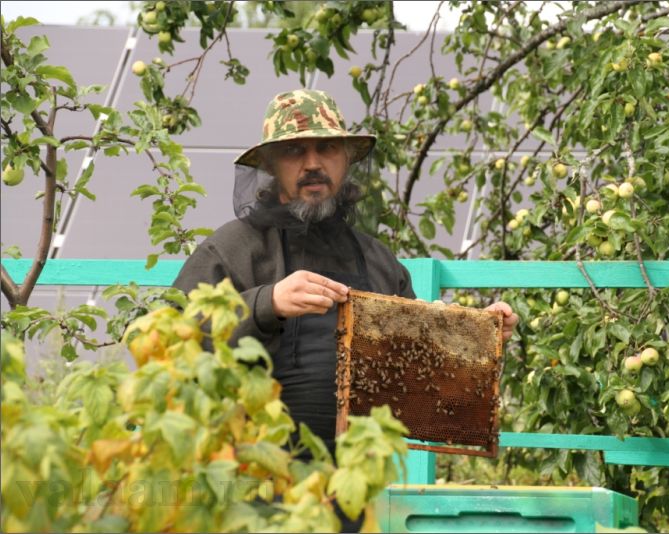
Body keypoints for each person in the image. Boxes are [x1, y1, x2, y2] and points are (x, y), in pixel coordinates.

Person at [173, 89, 519, 457]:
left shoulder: (378, 260)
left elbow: (423, 379)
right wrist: (266, 303)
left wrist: (476, 338)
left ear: (346, 159)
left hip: (355, 473)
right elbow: (170, 340)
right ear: (271, 166)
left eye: (327, 149)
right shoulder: (233, 248)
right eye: (294, 151)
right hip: (253, 467)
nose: (312, 164)